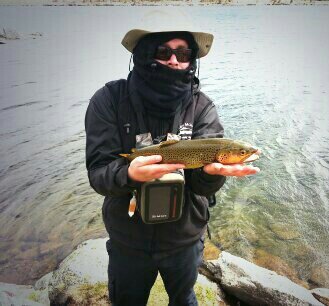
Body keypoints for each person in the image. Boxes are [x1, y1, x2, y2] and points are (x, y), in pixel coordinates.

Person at [85, 13, 260, 306]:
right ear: (143, 55)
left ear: (192, 59)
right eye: (163, 51)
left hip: (185, 240)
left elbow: (204, 188)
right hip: (128, 241)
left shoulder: (203, 107)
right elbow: (99, 173)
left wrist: (212, 172)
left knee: (184, 299)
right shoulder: (108, 101)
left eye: (183, 53)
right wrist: (128, 175)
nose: (174, 60)